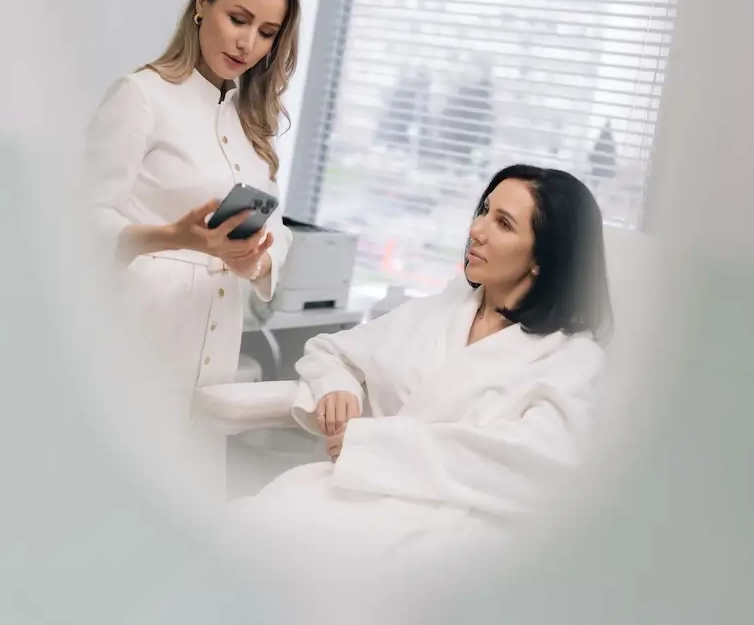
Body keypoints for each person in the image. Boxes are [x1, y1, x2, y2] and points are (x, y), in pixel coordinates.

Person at [225, 164, 613, 562]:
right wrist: (336, 386)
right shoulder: (439, 312)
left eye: (504, 224)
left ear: (542, 259)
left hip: (451, 527)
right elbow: (330, 350)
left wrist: (373, 447)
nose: (477, 229)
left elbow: (533, 469)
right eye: (484, 211)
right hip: (355, 494)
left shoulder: (571, 359)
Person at [82, 0, 301, 501]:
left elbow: (280, 232)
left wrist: (257, 258)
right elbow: (83, 223)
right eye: (239, 19)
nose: (248, 43)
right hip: (138, 343)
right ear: (203, 2)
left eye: (268, 32)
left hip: (215, 355)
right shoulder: (142, 97)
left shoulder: (254, 128)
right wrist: (173, 236)